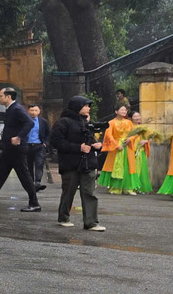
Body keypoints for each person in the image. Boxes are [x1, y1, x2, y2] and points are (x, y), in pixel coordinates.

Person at [0, 87, 41, 212]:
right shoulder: (10, 109)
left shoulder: (17, 109)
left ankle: (34, 203)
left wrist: (19, 137)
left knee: (24, 176)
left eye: (0, 96)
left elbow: (29, 123)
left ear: (8, 97)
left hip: (17, 149)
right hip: (9, 149)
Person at [49, 95, 105, 231]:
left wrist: (96, 145)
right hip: (70, 163)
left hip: (88, 163)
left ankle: (91, 222)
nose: (88, 109)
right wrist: (77, 147)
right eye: (85, 106)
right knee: (69, 191)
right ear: (77, 107)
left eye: (88, 106)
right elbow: (56, 142)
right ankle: (63, 216)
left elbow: (89, 139)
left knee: (89, 193)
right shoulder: (63, 122)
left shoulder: (87, 123)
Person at [97, 104, 133, 194]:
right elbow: (109, 136)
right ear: (116, 111)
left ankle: (127, 187)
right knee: (115, 166)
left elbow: (133, 134)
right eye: (122, 110)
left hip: (127, 147)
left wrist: (130, 139)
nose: (124, 112)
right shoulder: (111, 123)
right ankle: (115, 187)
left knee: (127, 166)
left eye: (125, 110)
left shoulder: (129, 122)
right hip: (115, 148)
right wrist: (117, 145)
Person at [25, 103, 50, 191]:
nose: (33, 112)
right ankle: (31, 183)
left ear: (39, 111)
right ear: (28, 111)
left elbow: (48, 133)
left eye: (35, 110)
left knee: (39, 164)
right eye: (31, 110)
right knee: (29, 165)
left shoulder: (43, 122)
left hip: (39, 146)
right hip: (27, 146)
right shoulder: (24, 121)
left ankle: (38, 182)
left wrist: (45, 143)